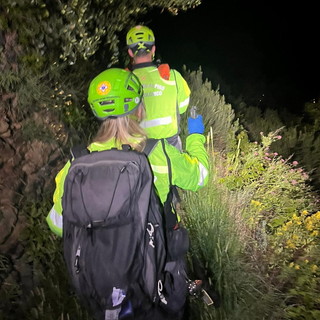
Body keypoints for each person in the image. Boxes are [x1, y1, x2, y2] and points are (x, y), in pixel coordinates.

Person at [46, 68, 208, 319]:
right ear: (139, 108)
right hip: (159, 270)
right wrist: (196, 135)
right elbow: (199, 177)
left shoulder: (76, 164)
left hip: (104, 287)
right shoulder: (157, 151)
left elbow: (57, 224)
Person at [126, 25, 191, 150]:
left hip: (136, 151)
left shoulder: (124, 81)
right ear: (153, 49)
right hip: (169, 149)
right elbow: (182, 107)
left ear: (130, 52)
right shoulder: (173, 77)